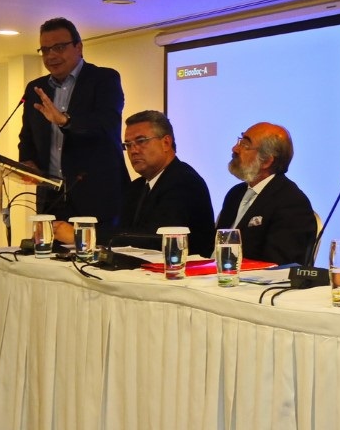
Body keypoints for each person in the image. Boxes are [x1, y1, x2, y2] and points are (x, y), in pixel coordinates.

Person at [17, 17, 128, 226]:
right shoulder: (36, 89)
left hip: (96, 196)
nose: (51, 55)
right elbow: (27, 137)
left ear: (79, 47)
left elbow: (105, 124)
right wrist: (27, 162)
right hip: (51, 197)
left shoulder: (104, 79)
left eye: (59, 47)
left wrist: (65, 121)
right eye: (45, 50)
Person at [58, 110, 216, 255]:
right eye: (128, 145)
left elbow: (156, 239)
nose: (133, 150)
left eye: (141, 141)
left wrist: (85, 237)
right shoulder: (137, 187)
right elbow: (123, 232)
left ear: (166, 143)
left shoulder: (184, 182)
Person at [215, 122, 317, 265]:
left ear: (267, 161)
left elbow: (278, 265)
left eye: (245, 145)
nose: (235, 148)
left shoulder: (291, 202)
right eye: (240, 141)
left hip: (252, 279)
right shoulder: (236, 194)